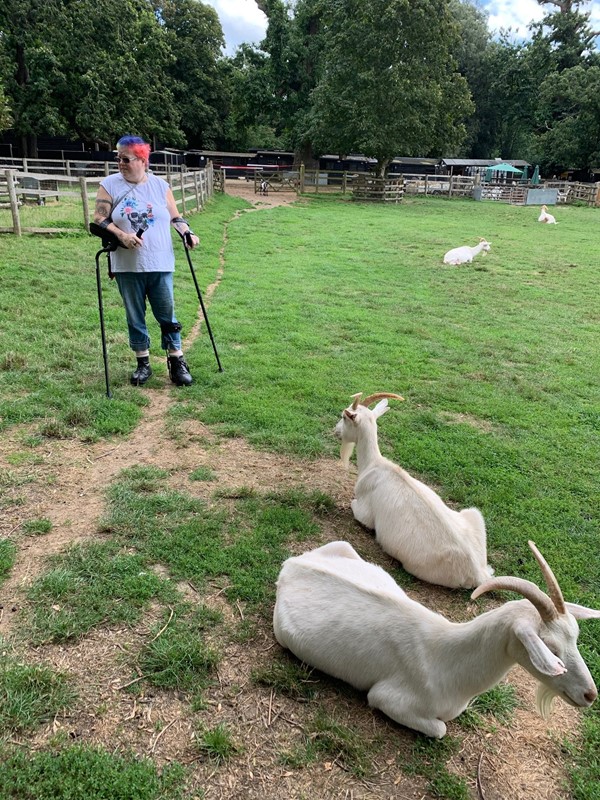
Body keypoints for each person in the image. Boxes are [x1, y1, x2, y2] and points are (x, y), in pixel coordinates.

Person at [93, 135, 199, 387]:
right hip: (127, 264)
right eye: (117, 157)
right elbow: (98, 219)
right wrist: (122, 235)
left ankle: (176, 361)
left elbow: (175, 218)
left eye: (126, 158)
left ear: (142, 159)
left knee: (167, 314)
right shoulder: (109, 184)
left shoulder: (161, 186)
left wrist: (187, 232)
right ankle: (143, 363)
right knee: (135, 315)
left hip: (160, 261)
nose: (120, 162)